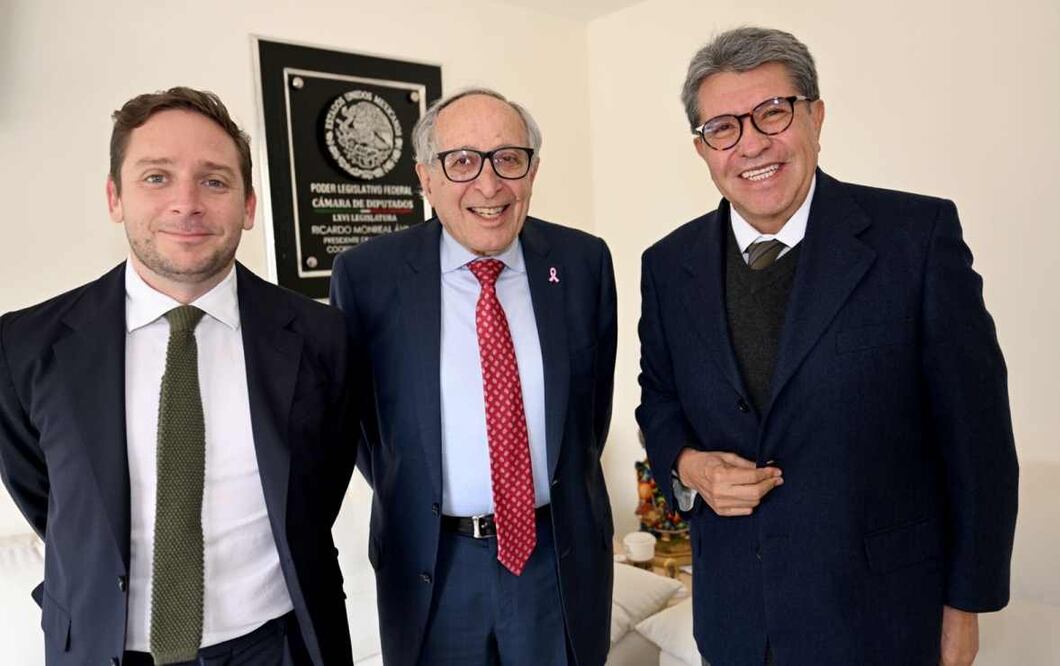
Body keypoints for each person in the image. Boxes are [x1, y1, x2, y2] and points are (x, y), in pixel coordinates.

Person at [636, 27, 1018, 666]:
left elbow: (979, 442)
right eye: (723, 127)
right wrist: (687, 463)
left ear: (815, 115)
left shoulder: (915, 239)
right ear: (702, 148)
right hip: (735, 620)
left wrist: (964, 608)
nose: (751, 143)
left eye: (772, 113)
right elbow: (660, 395)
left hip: (885, 618)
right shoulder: (667, 265)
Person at [0, 87, 356, 666]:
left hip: (278, 648)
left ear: (248, 205)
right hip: (100, 648)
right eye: (156, 177)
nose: (186, 203)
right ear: (115, 197)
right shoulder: (24, 345)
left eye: (214, 181)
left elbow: (317, 493)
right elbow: (51, 498)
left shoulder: (322, 339)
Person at [330, 87, 616, 666]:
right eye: (461, 161)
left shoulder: (583, 263)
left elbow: (590, 417)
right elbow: (361, 429)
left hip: (554, 559)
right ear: (425, 177)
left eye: (508, 158)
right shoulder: (367, 277)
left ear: (532, 171)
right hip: (433, 564)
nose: (489, 186)